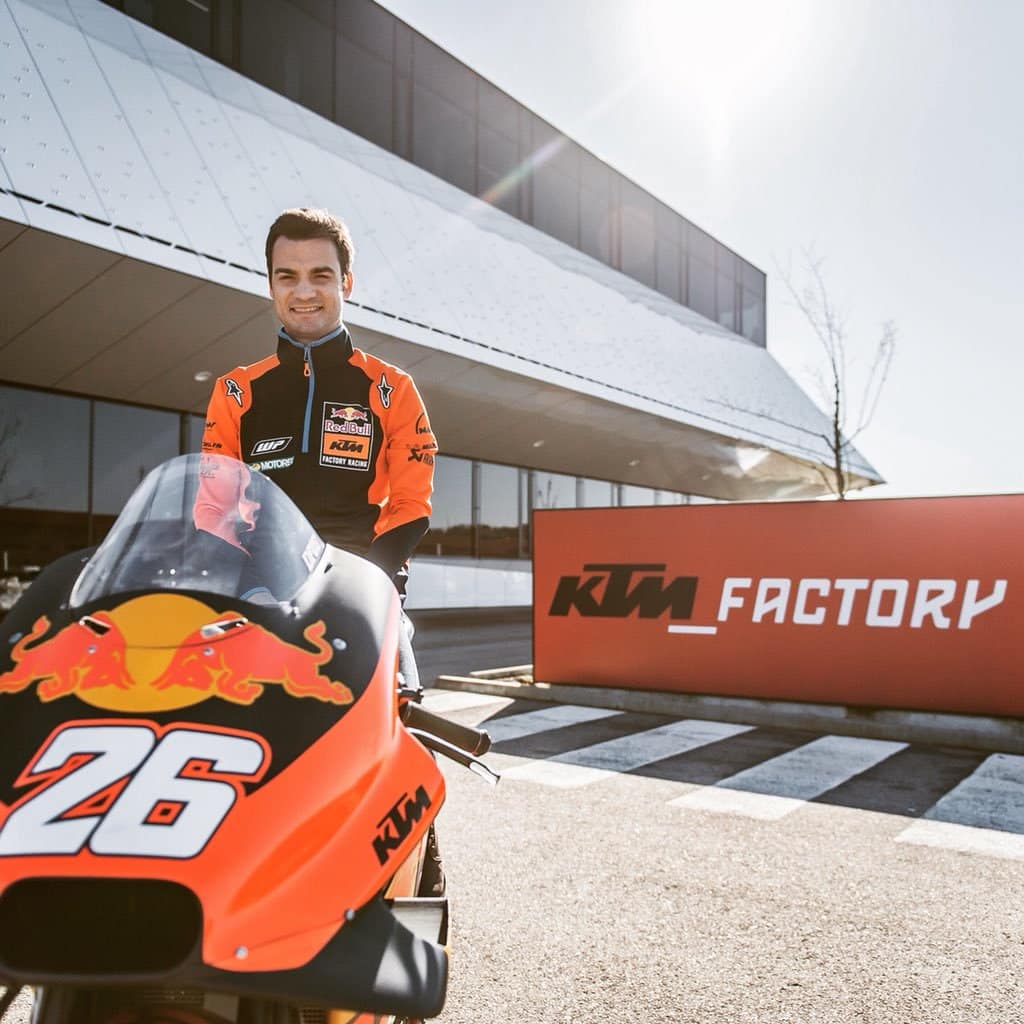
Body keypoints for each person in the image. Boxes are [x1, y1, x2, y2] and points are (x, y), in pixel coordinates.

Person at [200, 207, 438, 689]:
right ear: (271, 285)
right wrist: (248, 583)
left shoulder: (392, 387)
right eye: (287, 276)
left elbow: (411, 507)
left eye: (321, 276)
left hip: (364, 583)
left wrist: (365, 582)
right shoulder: (235, 391)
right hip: (260, 586)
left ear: (346, 282)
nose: (304, 291)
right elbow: (213, 509)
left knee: (400, 706)